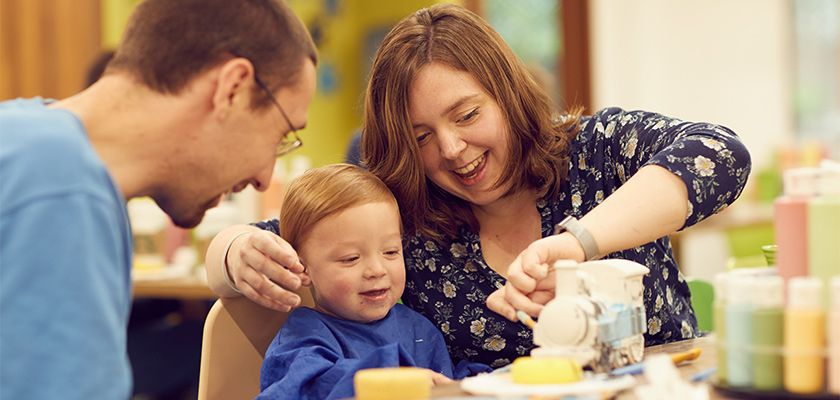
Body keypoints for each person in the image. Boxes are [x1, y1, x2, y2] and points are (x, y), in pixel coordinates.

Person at [205, 3, 751, 369]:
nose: (450, 149)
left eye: (466, 114)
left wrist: (578, 244)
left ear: (506, 94)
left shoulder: (595, 151)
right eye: (421, 136)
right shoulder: (403, 211)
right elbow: (272, 240)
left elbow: (719, 154)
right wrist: (231, 252)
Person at [0, 0, 317, 398]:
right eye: (279, 136)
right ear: (232, 88)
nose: (264, 177)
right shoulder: (62, 192)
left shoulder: (22, 134)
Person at [257, 164, 490, 399]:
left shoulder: (418, 328)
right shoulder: (303, 336)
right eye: (351, 258)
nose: (377, 270)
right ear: (302, 266)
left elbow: (446, 379)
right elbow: (306, 387)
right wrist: (391, 380)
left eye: (390, 252)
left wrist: (479, 381)